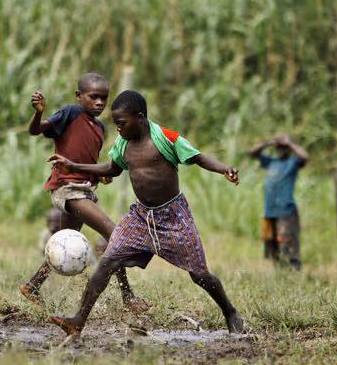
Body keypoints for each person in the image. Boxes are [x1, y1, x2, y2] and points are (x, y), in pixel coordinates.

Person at [48, 90, 244, 335]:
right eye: (115, 124)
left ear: (139, 117)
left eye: (122, 123)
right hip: (140, 216)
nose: (118, 129)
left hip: (173, 216)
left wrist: (224, 168)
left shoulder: (165, 138)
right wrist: (74, 166)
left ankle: (229, 310)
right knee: (107, 261)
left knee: (199, 274)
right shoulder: (123, 143)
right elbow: (112, 167)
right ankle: (77, 321)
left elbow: (198, 158)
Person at [20, 74, 150, 313]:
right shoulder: (70, 114)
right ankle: (128, 296)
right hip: (67, 190)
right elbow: (35, 130)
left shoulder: (100, 127)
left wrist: (100, 176)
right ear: (79, 96)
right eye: (93, 97)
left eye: (104, 98)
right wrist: (38, 113)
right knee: (115, 234)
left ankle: (33, 285)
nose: (99, 103)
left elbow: (86, 160)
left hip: (84, 190)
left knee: (65, 239)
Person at [249, 135, 309, 270]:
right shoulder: (271, 162)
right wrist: (269, 143)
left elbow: (304, 157)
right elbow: (253, 153)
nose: (281, 150)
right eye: (279, 147)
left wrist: (290, 143)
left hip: (286, 211)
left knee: (288, 243)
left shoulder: (292, 162)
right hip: (270, 211)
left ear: (289, 149)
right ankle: (279, 272)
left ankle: (294, 271)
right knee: (271, 244)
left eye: (284, 148)